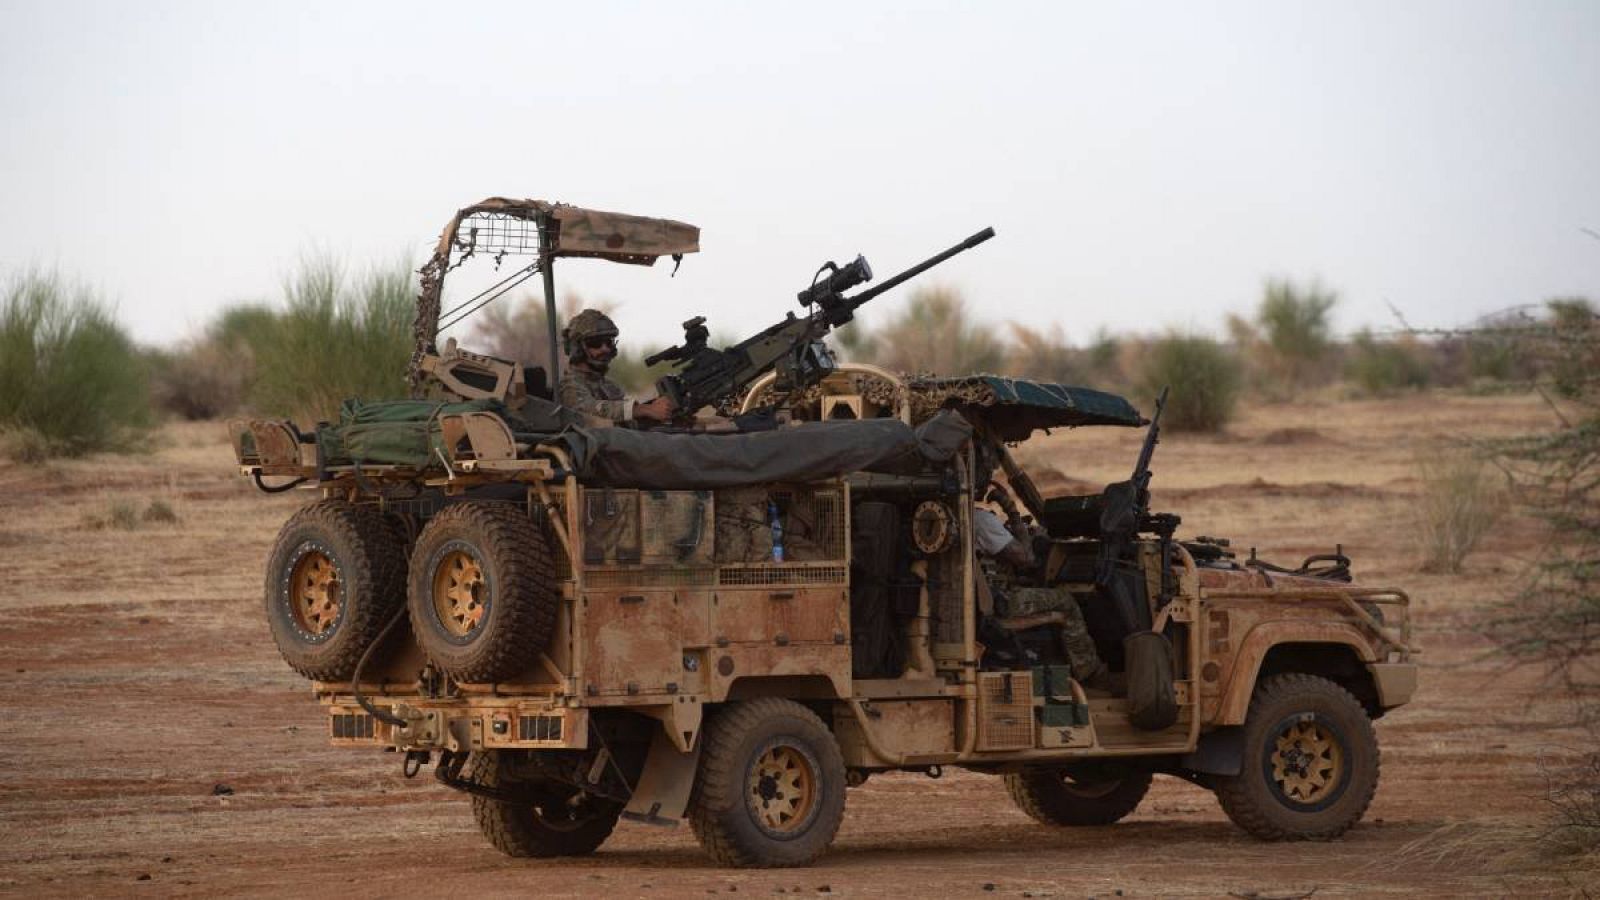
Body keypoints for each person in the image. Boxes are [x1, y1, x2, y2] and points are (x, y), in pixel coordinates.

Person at [972, 505, 1109, 688]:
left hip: (978, 604)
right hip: (997, 604)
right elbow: (1025, 558)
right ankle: (1090, 673)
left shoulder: (954, 516)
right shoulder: (980, 519)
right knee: (1066, 602)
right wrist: (1013, 514)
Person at [557, 309, 675, 426]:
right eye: (595, 343)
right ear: (577, 349)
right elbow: (589, 413)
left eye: (609, 342)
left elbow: (630, 422)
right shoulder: (569, 386)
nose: (605, 349)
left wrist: (666, 416)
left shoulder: (608, 385)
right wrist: (645, 410)